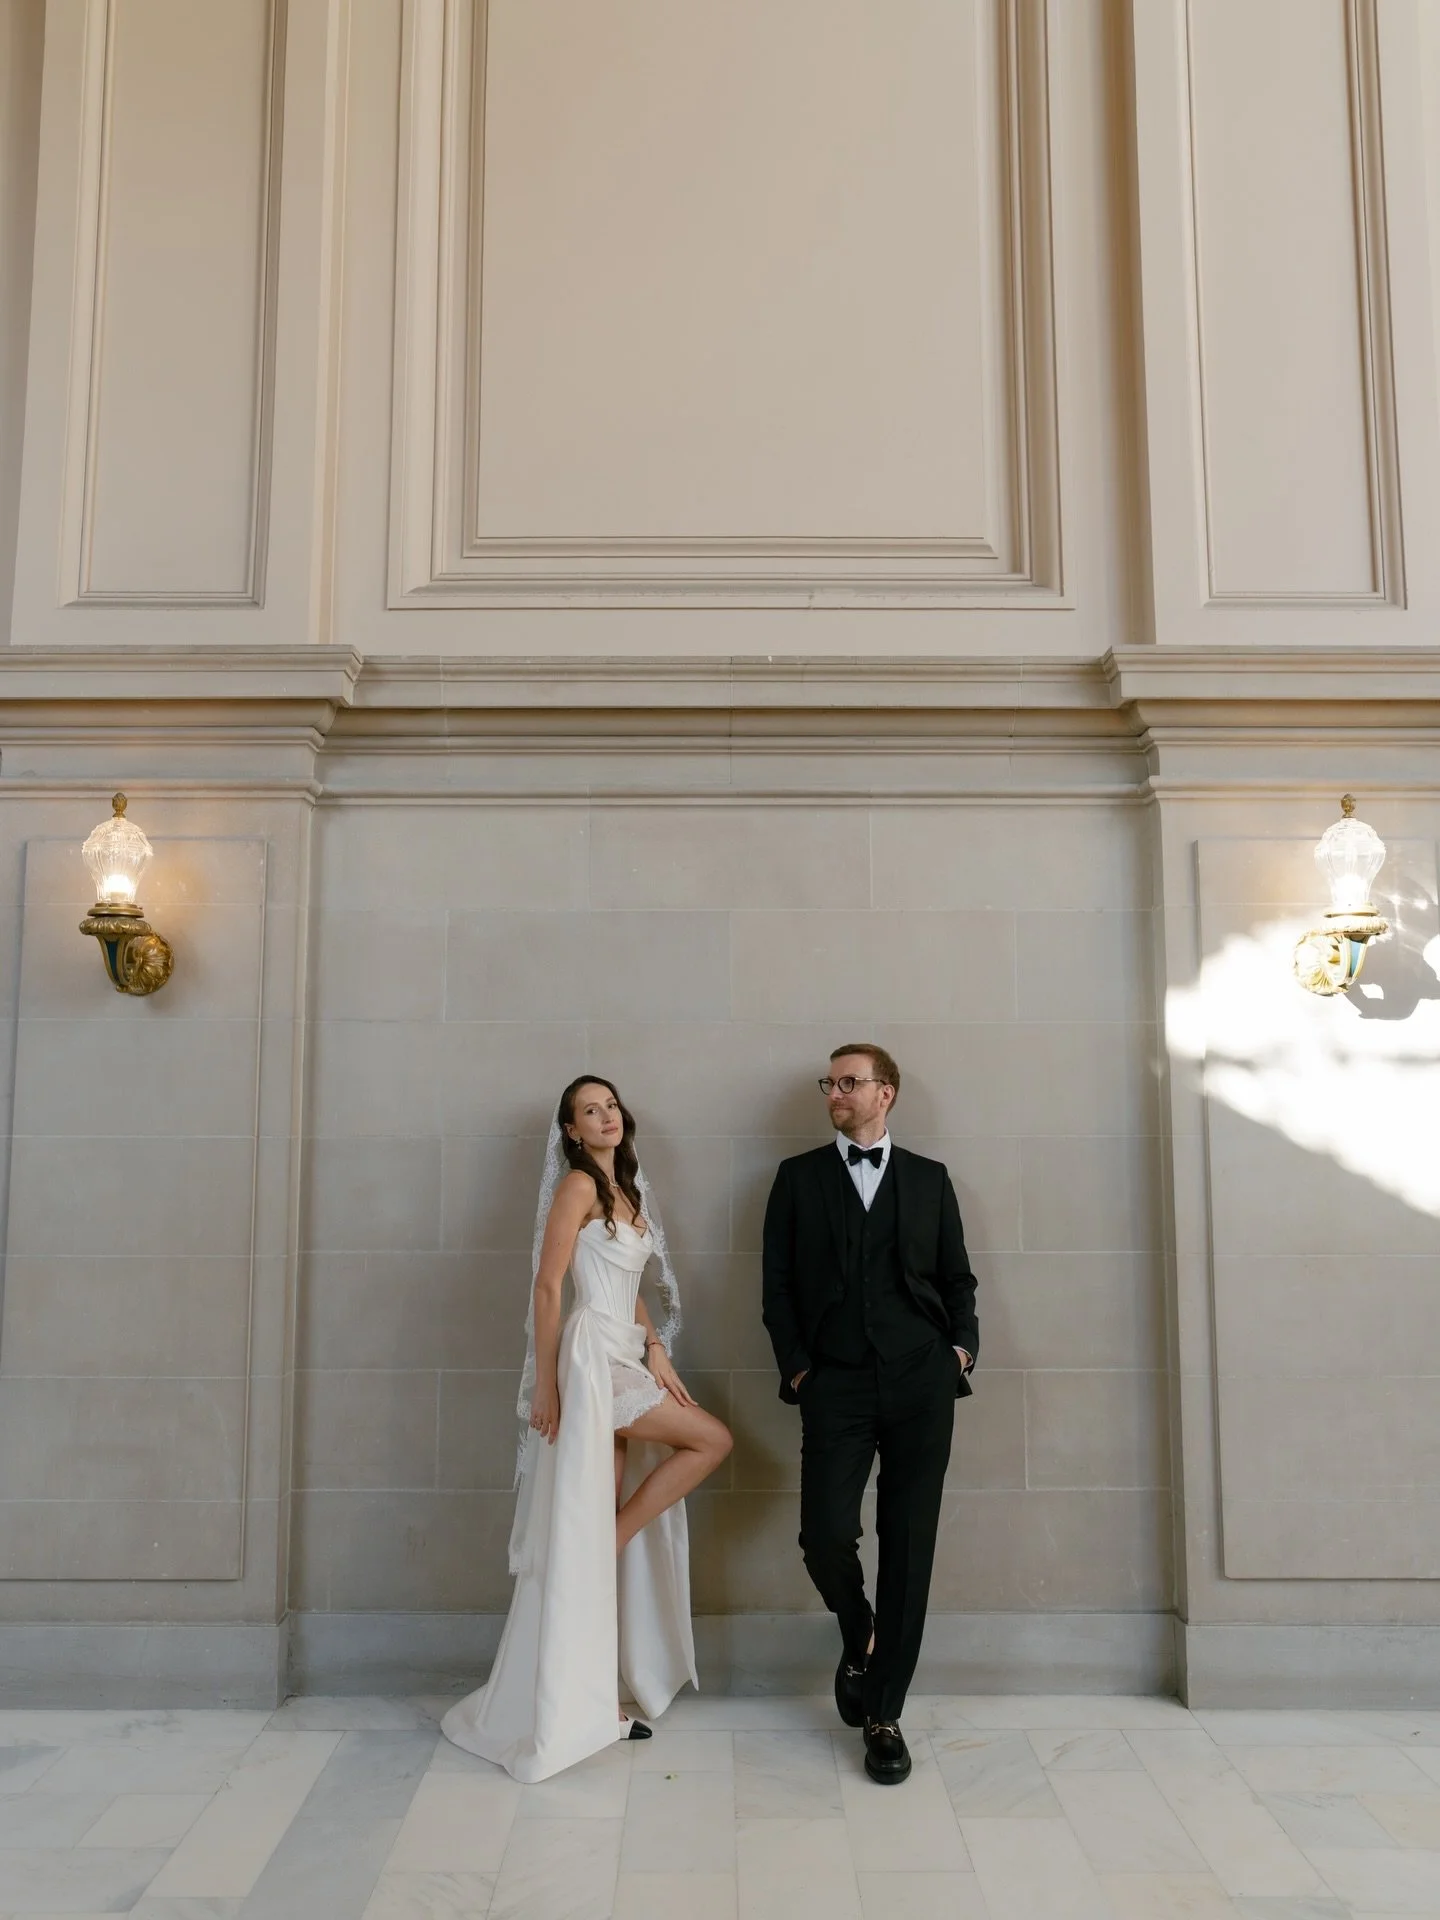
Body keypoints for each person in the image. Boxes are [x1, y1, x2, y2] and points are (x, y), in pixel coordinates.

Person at [442, 1076, 732, 1782]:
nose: (606, 1117)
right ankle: (612, 1542)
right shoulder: (576, 1186)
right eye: (590, 1111)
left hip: (625, 1352)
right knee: (710, 1440)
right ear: (572, 1131)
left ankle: (593, 1699)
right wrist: (546, 1382)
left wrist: (658, 1351)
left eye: (610, 1106)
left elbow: (628, 1289)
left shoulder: (623, 1193)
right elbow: (548, 1287)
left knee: (594, 1514)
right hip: (589, 1355)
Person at [762, 1043, 978, 1786]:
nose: (835, 1094)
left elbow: (957, 1277)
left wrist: (960, 1352)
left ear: (885, 1093)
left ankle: (884, 1712)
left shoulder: (929, 1180)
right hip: (837, 1384)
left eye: (849, 1083)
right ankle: (860, 1630)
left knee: (910, 1544)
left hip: (921, 1379)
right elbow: (777, 1286)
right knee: (823, 1533)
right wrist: (799, 1366)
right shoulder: (796, 1180)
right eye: (831, 1083)